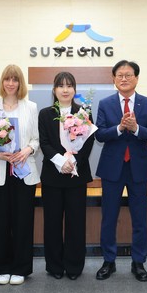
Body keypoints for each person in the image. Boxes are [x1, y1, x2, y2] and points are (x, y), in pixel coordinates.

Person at [94, 60, 147, 282]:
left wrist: (136, 128)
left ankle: (138, 262)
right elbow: (100, 134)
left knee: (140, 218)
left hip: (138, 168)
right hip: (112, 168)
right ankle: (108, 261)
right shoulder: (105, 103)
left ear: (136, 78)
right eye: (120, 75)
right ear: (113, 79)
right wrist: (120, 128)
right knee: (109, 217)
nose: (124, 79)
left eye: (128, 75)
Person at [0, 65, 40, 286]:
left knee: (23, 221)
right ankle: (2, 268)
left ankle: (21, 268)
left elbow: (36, 139)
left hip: (23, 170)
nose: (11, 83)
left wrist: (27, 150)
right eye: (7, 79)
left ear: (20, 83)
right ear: (2, 82)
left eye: (15, 79)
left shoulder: (31, 107)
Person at [38, 71, 95, 280]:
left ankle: (74, 266)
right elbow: (44, 142)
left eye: (69, 85)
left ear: (74, 89)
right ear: (54, 90)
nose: (65, 89)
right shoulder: (45, 114)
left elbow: (88, 142)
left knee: (76, 223)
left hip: (76, 175)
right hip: (53, 175)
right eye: (61, 86)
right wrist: (61, 162)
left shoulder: (84, 112)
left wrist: (73, 163)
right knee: (52, 223)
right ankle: (54, 266)